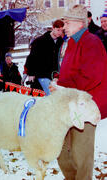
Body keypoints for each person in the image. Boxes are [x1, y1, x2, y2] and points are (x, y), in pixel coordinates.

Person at [56, 5, 107, 180]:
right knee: (62, 150)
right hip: (70, 103)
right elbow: (72, 72)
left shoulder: (91, 42)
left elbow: (92, 76)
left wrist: (65, 86)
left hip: (87, 105)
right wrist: (58, 82)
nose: (64, 26)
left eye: (67, 22)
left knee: (81, 152)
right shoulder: (71, 43)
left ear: (79, 23)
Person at [25, 19, 64, 95]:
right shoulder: (40, 41)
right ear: (53, 28)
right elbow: (31, 57)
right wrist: (31, 73)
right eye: (58, 30)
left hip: (54, 75)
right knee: (48, 95)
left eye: (62, 30)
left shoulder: (61, 42)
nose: (60, 32)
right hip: (41, 74)